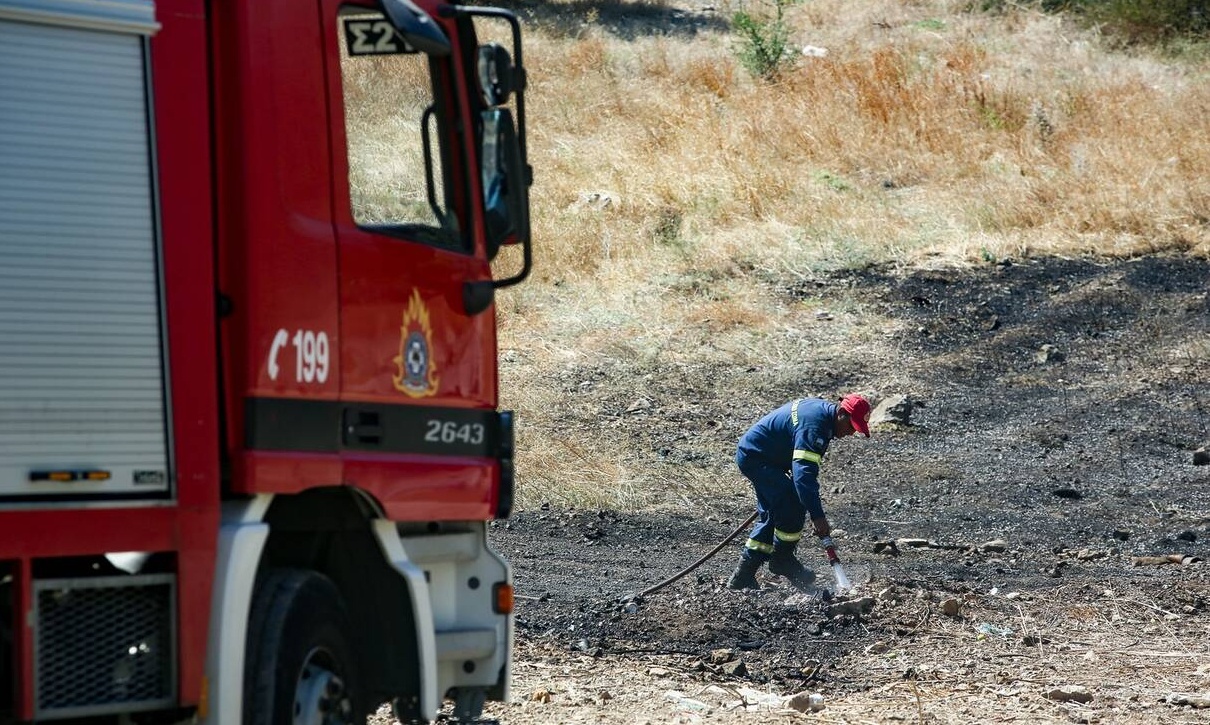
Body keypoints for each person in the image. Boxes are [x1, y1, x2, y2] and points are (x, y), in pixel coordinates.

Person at [727, 394, 871, 590]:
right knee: (792, 504)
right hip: (757, 457)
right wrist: (817, 516)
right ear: (842, 413)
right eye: (851, 426)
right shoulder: (815, 427)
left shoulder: (823, 416)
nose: (851, 433)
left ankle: (743, 576)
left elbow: (801, 469)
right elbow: (804, 477)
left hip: (764, 456)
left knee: (775, 512)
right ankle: (782, 559)